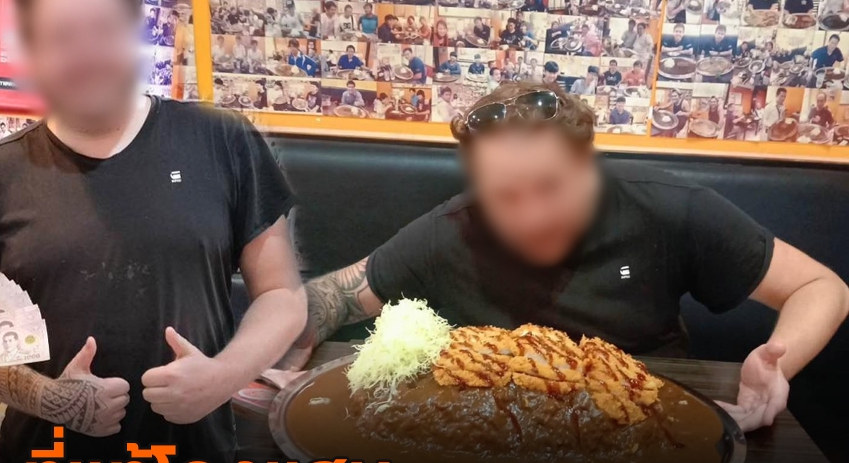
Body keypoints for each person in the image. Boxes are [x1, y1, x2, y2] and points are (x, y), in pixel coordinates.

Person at [0, 0, 305, 463]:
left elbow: (283, 295)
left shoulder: (224, 140)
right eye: (61, 35)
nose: (85, 52)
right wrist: (52, 400)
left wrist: (220, 377)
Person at [273, 81, 848, 436]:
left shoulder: (672, 209)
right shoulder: (452, 229)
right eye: (505, 196)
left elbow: (822, 288)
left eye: (552, 187)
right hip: (497, 434)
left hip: (648, 417)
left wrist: (776, 365)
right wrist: (269, 344)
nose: (530, 216)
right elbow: (332, 296)